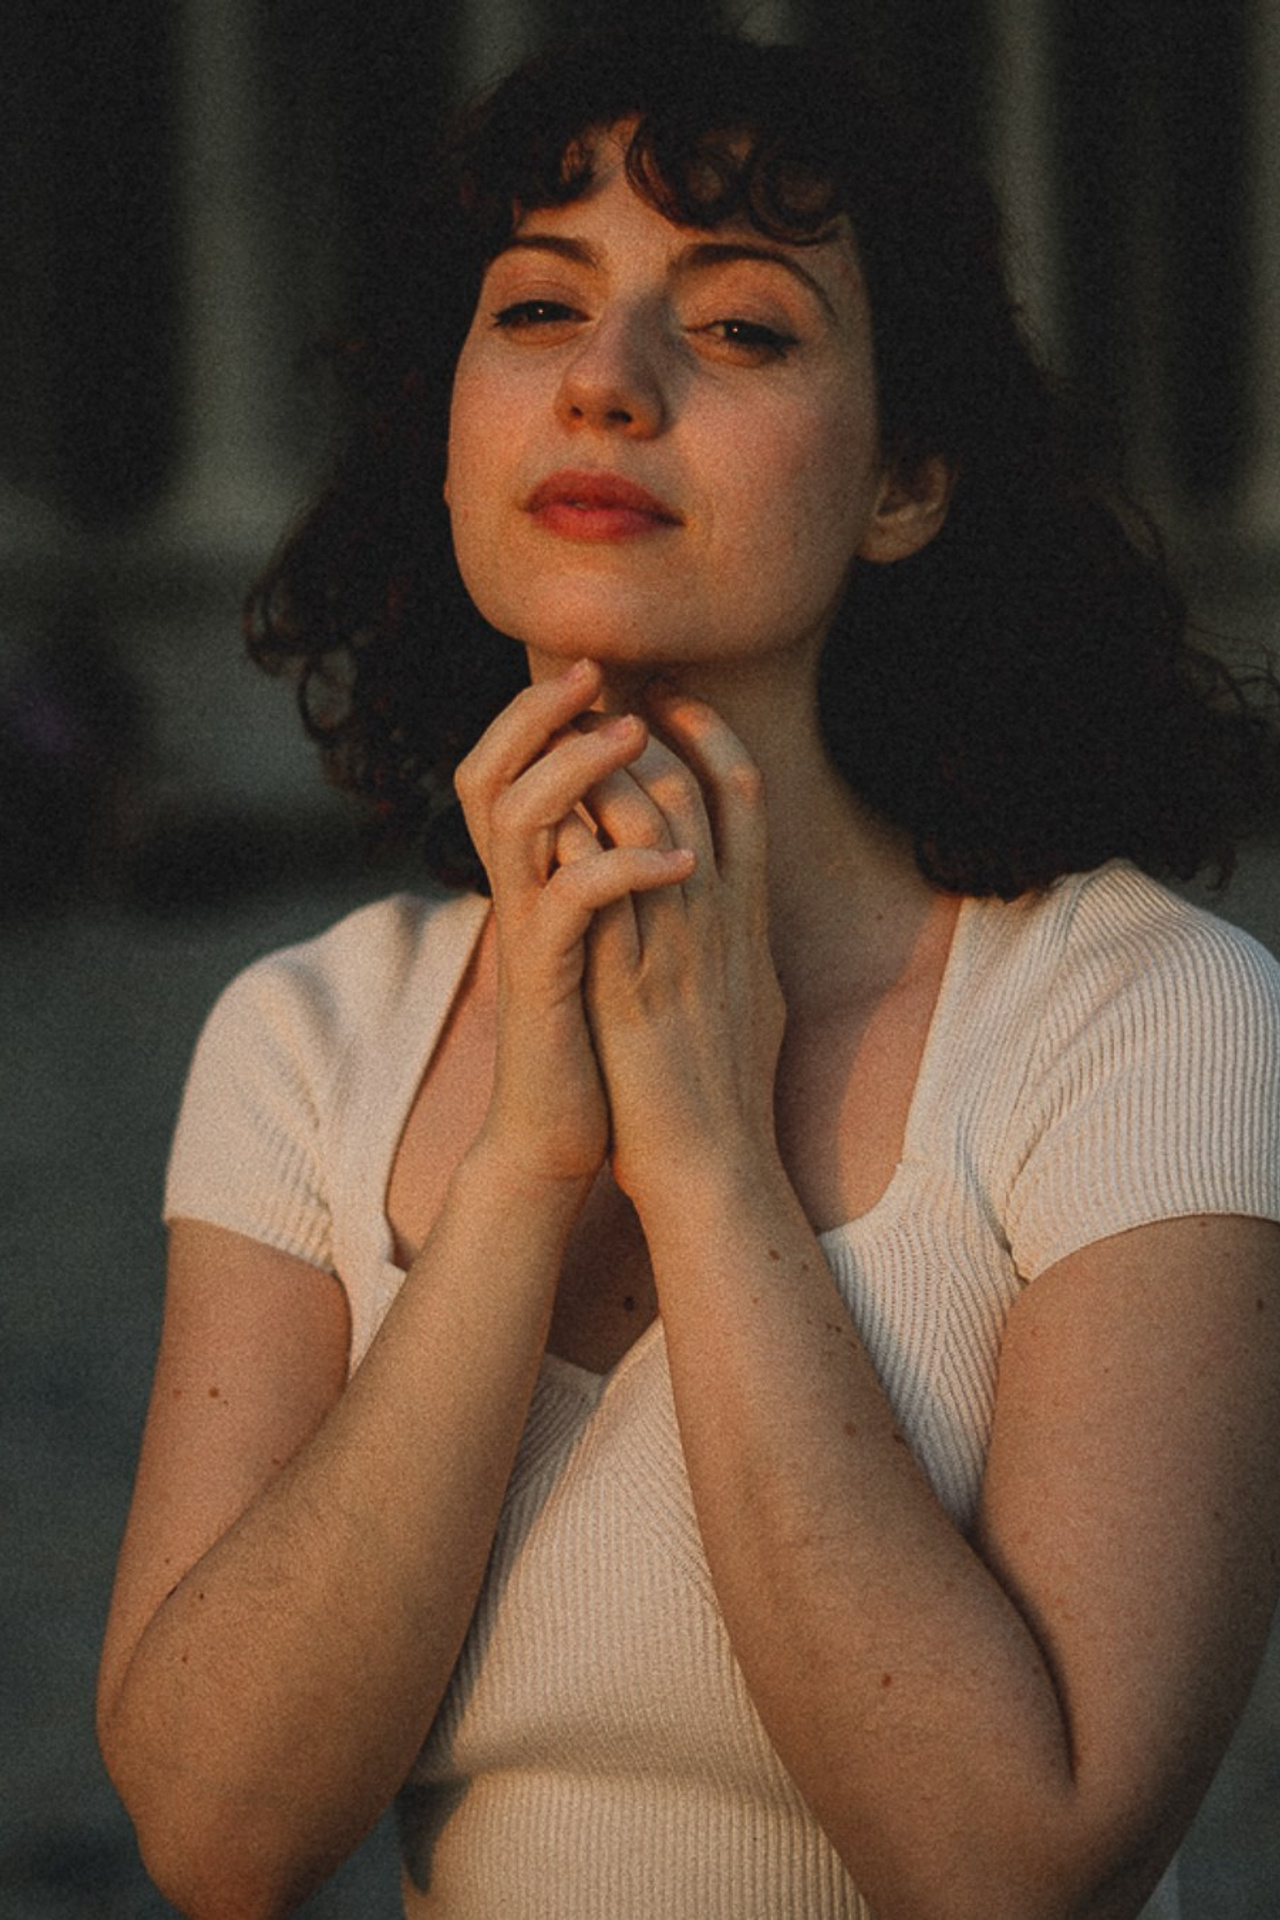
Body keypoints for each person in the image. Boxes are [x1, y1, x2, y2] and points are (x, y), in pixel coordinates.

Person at [97, 28, 1280, 1920]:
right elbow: (217, 1836)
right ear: (454, 425)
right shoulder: (306, 1038)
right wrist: (525, 1171)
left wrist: (715, 1155)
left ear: (903, 483)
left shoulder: (1147, 1022)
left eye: (739, 330)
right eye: (537, 309)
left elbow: (1010, 1866)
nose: (606, 387)